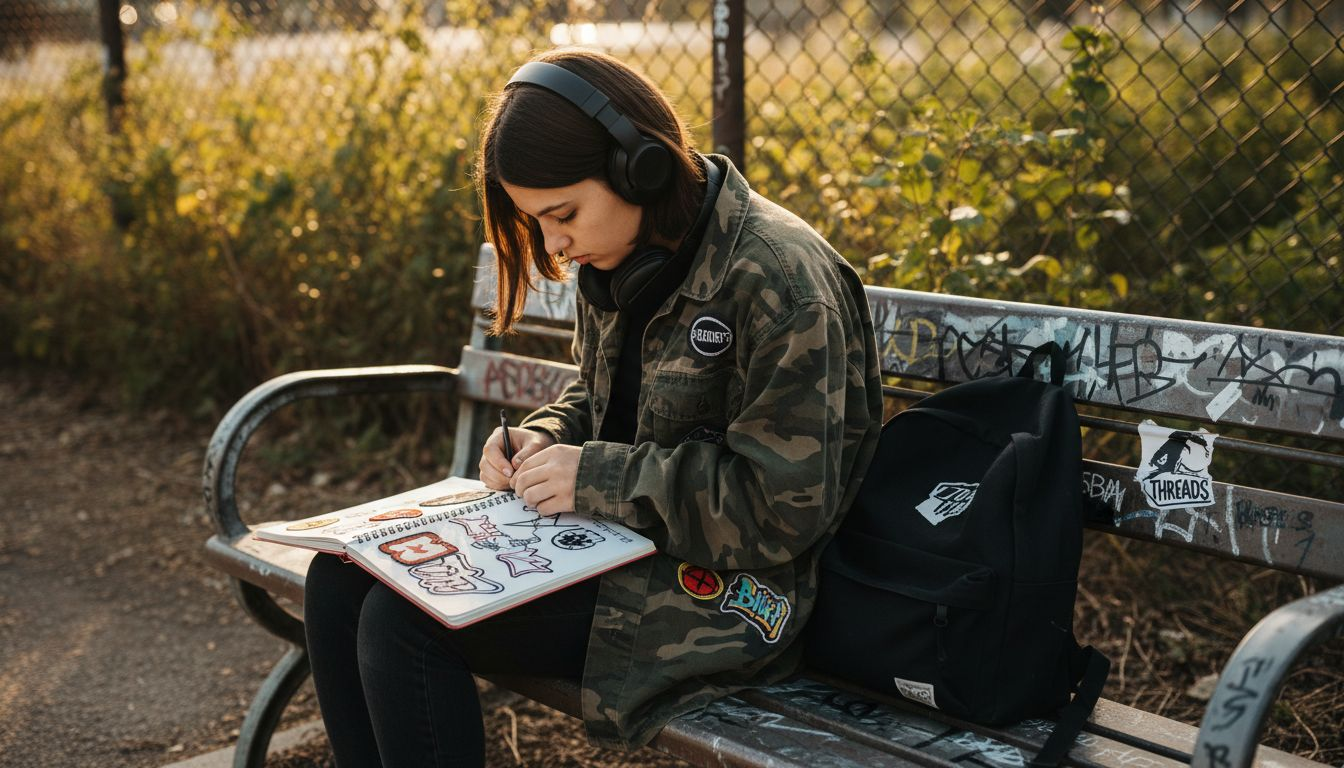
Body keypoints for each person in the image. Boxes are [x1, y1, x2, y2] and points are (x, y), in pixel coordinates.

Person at [303, 48, 883, 768]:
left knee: (404, 622)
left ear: (639, 168)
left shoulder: (780, 282)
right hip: (611, 545)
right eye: (536, 222)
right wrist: (543, 438)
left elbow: (781, 510)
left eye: (563, 215)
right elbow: (597, 396)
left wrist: (596, 479)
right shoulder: (617, 258)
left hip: (728, 593)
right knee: (338, 582)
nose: (554, 244)